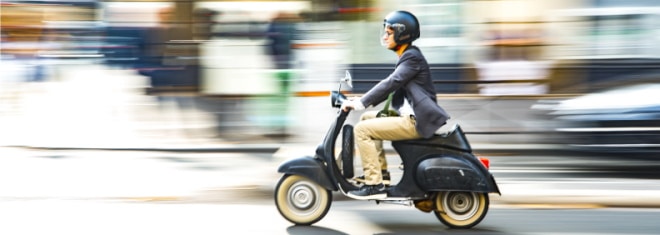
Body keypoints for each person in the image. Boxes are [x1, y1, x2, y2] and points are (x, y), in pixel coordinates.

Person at [341, 10, 451, 200]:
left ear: (403, 34)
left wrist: (361, 102)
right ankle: (381, 174)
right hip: (408, 117)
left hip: (416, 122)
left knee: (362, 130)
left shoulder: (412, 57)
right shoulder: (408, 56)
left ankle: (374, 184)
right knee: (367, 118)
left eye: (389, 32)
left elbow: (391, 82)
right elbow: (391, 87)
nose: (385, 36)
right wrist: (360, 100)